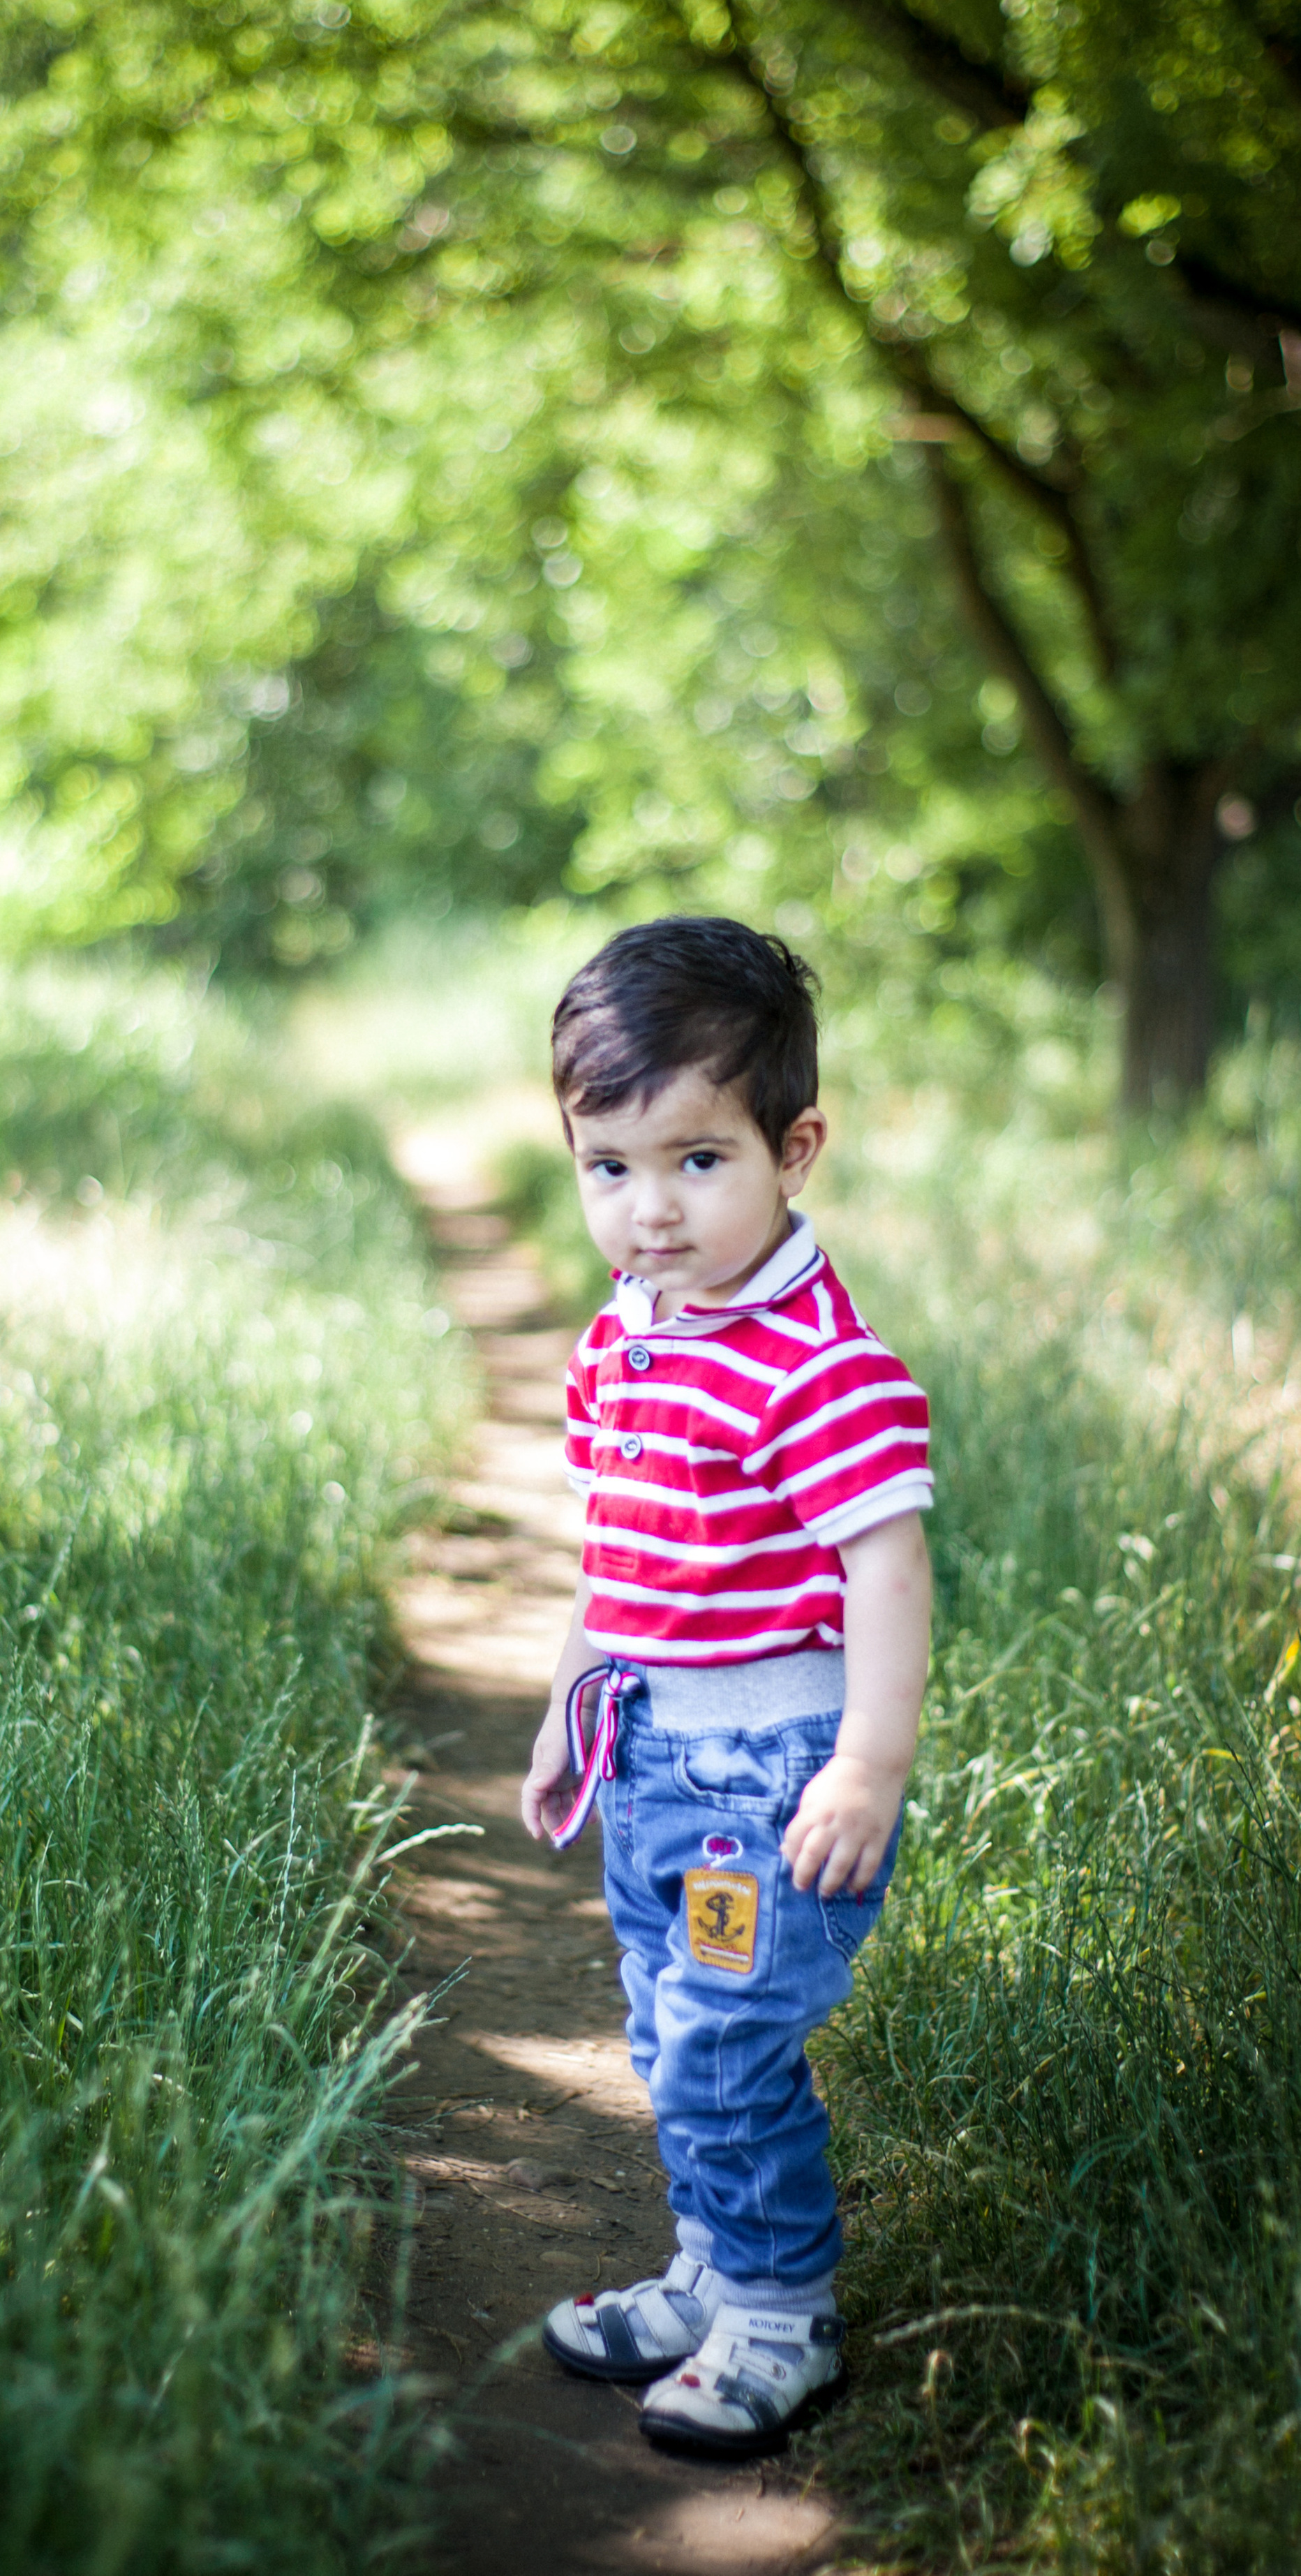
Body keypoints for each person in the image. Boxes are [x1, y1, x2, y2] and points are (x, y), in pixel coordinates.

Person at [519, 915, 933, 2461]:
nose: (647, 1209)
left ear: (792, 1148)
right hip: (648, 1753)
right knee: (660, 2017)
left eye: (696, 1162)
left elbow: (885, 1571)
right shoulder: (625, 1342)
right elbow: (613, 1555)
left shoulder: (816, 1369)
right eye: (605, 1167)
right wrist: (575, 1706)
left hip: (768, 1773)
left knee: (724, 2039)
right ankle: (712, 2268)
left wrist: (866, 1767)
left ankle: (781, 2310)